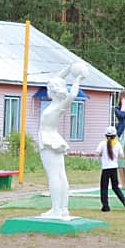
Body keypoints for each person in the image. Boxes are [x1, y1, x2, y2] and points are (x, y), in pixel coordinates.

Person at [38, 62, 86, 219]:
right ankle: (62, 208)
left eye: (49, 88)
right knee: (60, 174)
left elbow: (72, 95)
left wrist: (78, 79)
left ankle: (57, 209)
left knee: (54, 175)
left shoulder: (59, 105)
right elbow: (57, 79)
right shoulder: (57, 103)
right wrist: (69, 69)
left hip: (48, 140)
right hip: (53, 138)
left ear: (52, 91)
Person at [96, 126, 125, 212]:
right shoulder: (117, 144)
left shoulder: (102, 143)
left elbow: (97, 153)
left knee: (104, 188)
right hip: (114, 168)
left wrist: (102, 154)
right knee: (115, 187)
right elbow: (121, 155)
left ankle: (105, 206)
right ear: (115, 135)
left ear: (105, 135)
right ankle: (124, 200)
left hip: (105, 168)